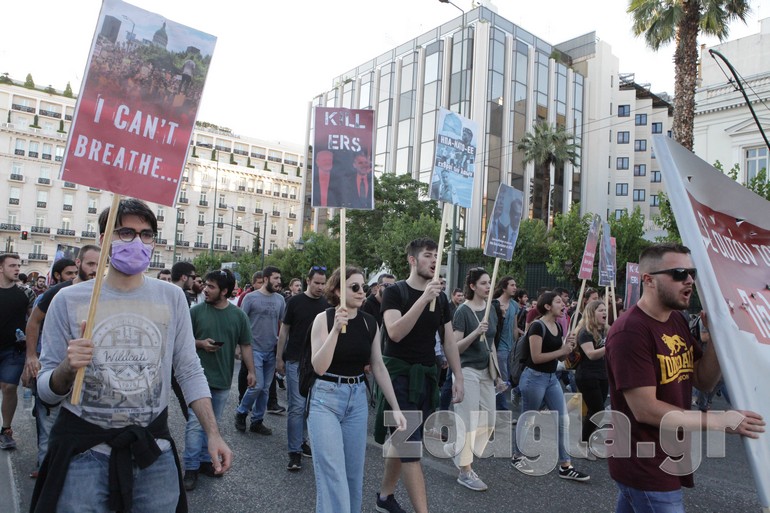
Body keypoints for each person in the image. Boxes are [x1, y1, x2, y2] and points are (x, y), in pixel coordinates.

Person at [32, 198, 231, 512]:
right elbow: (46, 392)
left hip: (153, 450)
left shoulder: (172, 297)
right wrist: (67, 368)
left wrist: (213, 433)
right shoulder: (67, 301)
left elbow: (189, 370)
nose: (137, 241)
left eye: (146, 234)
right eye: (125, 232)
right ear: (104, 240)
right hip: (83, 453)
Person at [605, 243, 764, 512]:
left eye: (692, 273)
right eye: (679, 273)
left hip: (668, 456)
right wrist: (721, 421)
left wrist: (717, 337)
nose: (689, 280)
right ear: (649, 280)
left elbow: (702, 380)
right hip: (644, 463)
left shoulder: (676, 320)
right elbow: (645, 409)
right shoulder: (630, 332)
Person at [374, 238, 464, 513]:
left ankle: (384, 497)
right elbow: (395, 333)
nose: (434, 260)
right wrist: (424, 299)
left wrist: (458, 377)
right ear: (412, 260)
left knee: (403, 443)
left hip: (426, 379)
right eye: (428, 255)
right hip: (398, 380)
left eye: (436, 255)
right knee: (410, 449)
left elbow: (448, 340)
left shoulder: (442, 298)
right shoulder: (395, 292)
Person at [308, 266, 406, 512]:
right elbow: (319, 366)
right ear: (337, 290)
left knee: (353, 475)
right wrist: (335, 330)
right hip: (325, 398)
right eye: (354, 287)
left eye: (363, 286)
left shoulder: (369, 322)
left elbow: (378, 366)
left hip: (357, 399)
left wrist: (396, 407)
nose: (362, 291)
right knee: (333, 474)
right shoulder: (323, 319)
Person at [23, 245, 100, 475]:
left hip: (86, 380)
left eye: (100, 265)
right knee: (48, 425)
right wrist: (31, 356)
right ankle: (46, 474)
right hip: (54, 370)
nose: (95, 270)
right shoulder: (59, 293)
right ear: (78, 263)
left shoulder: (104, 292)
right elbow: (33, 322)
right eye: (90, 264)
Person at [183, 269, 255, 491]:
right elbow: (181, 341)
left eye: (211, 287)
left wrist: (251, 371)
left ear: (224, 291)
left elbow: (245, 345)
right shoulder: (195, 312)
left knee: (213, 424)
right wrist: (201, 343)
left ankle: (206, 461)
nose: (205, 289)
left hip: (223, 380)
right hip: (196, 380)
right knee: (195, 424)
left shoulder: (239, 316)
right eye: (206, 284)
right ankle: (190, 467)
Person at [511, 291, 590, 482]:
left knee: (564, 420)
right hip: (534, 378)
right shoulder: (537, 326)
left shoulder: (559, 326)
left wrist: (568, 349)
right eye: (558, 302)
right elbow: (536, 357)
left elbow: (560, 358)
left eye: (563, 302)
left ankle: (565, 465)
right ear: (547, 306)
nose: (563, 305)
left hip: (551, 378)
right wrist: (561, 350)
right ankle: (517, 456)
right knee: (529, 417)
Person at [447, 267, 502, 491]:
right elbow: (454, 347)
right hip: (466, 370)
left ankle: (456, 447)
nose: (488, 286)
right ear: (472, 286)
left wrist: (498, 374)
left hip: (486, 370)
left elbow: (492, 343)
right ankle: (465, 471)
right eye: (483, 283)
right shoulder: (462, 311)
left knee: (489, 420)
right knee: (468, 421)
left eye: (489, 282)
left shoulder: (491, 309)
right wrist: (475, 332)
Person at [275, 266, 330, 471]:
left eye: (323, 283)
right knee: (297, 407)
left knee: (311, 406)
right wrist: (279, 358)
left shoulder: (327, 304)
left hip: (318, 363)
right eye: (317, 283)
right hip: (295, 361)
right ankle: (294, 451)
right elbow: (284, 331)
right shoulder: (295, 302)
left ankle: (302, 440)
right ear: (308, 281)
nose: (320, 287)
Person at [235, 266, 285, 435]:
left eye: (280, 278)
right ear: (265, 279)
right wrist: (238, 347)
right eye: (276, 278)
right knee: (257, 386)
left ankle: (257, 421)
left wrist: (281, 351)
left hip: (271, 349)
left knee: (265, 389)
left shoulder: (280, 300)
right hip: (253, 348)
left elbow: (283, 325)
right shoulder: (251, 298)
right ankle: (241, 412)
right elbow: (241, 323)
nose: (279, 281)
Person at [0, 253, 34, 450]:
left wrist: (32, 352)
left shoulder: (26, 293)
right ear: (1, 268)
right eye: (12, 265)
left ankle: (6, 430)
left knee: (9, 387)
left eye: (18, 265)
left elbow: (34, 321)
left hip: (14, 350)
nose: (17, 269)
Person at [573, 299, 608, 460]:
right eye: (601, 310)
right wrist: (609, 346)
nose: (605, 312)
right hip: (587, 376)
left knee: (597, 411)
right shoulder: (585, 332)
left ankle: (586, 440)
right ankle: (583, 444)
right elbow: (591, 354)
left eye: (605, 310)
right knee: (597, 411)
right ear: (592, 313)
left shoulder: (605, 331)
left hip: (602, 375)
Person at [491, 276, 519, 411]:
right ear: (504, 288)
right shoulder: (494, 304)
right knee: (501, 379)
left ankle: (498, 408)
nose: (515, 288)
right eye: (512, 285)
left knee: (508, 378)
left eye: (515, 285)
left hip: (511, 348)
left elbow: (515, 327)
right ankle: (502, 410)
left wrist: (516, 345)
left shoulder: (514, 305)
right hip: (499, 348)